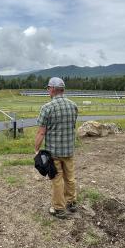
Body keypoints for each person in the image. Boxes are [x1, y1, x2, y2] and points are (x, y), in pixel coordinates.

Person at [34, 77, 78, 219]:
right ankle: (71, 203)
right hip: (69, 150)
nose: (48, 90)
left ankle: (59, 208)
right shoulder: (73, 105)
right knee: (70, 177)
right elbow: (72, 126)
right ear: (62, 90)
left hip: (54, 152)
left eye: (48, 88)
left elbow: (41, 132)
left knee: (57, 179)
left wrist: (36, 149)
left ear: (52, 89)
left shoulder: (47, 108)